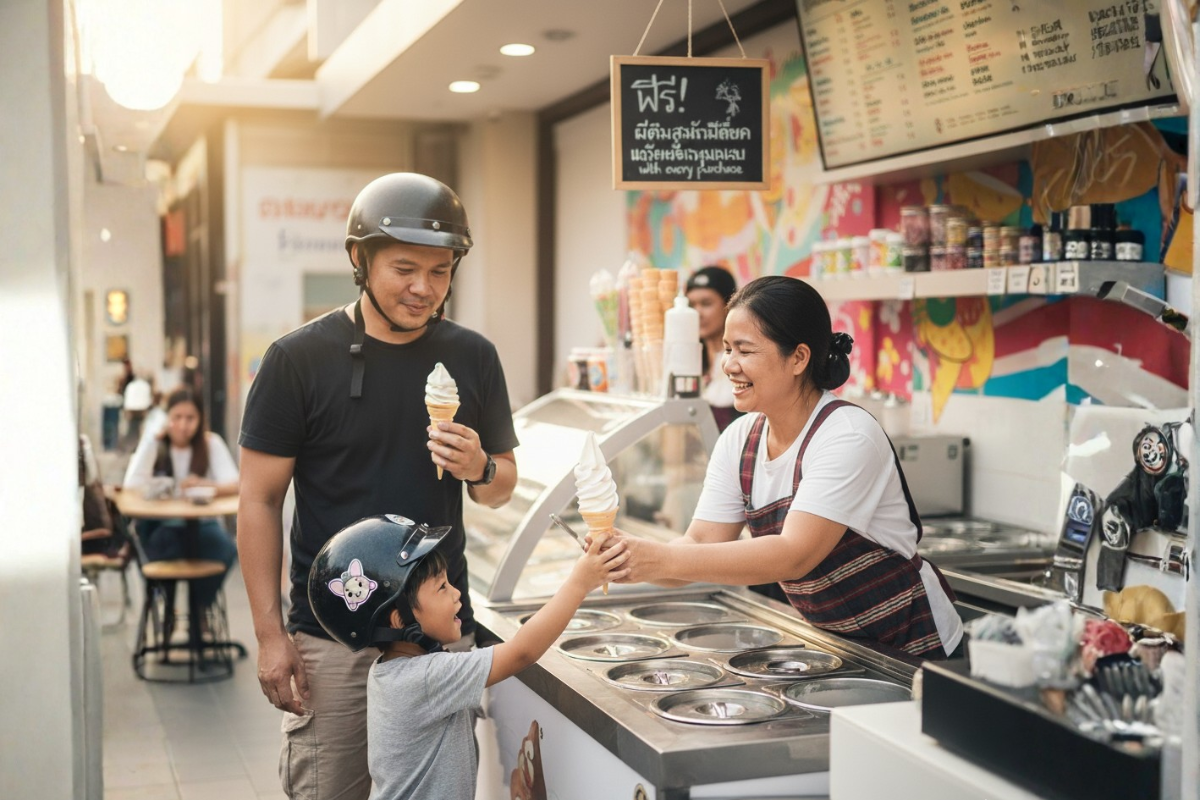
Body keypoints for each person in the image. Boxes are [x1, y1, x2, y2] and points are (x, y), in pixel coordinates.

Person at [238, 173, 520, 800]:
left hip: (436, 632)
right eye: (404, 269)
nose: (424, 288)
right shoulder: (297, 360)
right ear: (360, 260)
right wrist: (269, 635)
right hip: (332, 633)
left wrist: (480, 466)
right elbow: (258, 501)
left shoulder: (473, 356)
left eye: (440, 272)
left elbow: (499, 486)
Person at [610, 276, 963, 659]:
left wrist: (659, 558)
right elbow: (699, 544)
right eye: (727, 349)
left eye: (745, 350)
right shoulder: (739, 439)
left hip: (915, 647)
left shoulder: (847, 435)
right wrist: (627, 560)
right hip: (839, 644)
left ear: (798, 357)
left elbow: (794, 554)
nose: (729, 364)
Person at [307, 515, 628, 800]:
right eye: (442, 587)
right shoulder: (426, 678)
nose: (457, 593)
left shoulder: (390, 671)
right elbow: (523, 651)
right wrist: (580, 582)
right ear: (399, 619)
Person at [122, 387, 239, 610]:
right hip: (162, 526)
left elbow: (236, 485)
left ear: (200, 419)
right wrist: (150, 440)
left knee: (226, 549)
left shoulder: (210, 443)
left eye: (190, 418)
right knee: (155, 556)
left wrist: (205, 485)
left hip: (202, 526)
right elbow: (131, 486)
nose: (183, 425)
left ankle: (201, 608)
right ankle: (168, 609)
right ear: (166, 417)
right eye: (176, 417)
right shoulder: (155, 445)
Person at [685, 265, 742, 432]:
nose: (698, 313)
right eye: (691, 305)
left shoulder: (742, 361)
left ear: (728, 305)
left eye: (706, 304)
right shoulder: (689, 360)